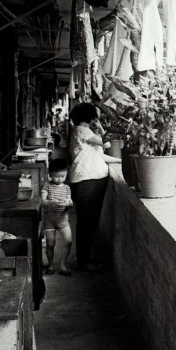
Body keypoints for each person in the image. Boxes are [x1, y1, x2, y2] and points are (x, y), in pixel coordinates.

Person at [67, 102, 121, 271]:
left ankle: (84, 258)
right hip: (87, 181)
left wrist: (121, 161)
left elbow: (100, 156)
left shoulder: (83, 132)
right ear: (89, 117)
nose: (97, 118)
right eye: (95, 116)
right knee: (87, 222)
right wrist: (101, 128)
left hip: (88, 180)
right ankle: (84, 262)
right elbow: (106, 143)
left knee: (87, 222)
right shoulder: (82, 130)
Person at [41, 158, 73, 276]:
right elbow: (43, 201)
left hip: (63, 220)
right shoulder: (47, 186)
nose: (60, 179)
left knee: (68, 241)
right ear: (50, 175)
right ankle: (50, 265)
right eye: (57, 176)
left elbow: (69, 201)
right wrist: (51, 202)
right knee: (50, 244)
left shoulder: (66, 188)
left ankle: (63, 264)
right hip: (50, 220)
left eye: (63, 176)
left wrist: (69, 204)